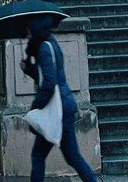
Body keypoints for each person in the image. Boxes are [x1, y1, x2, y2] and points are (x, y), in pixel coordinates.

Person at [21, 15, 97, 182]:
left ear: (35, 28)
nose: (25, 31)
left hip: (57, 109)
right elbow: (49, 76)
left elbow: (49, 82)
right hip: (65, 106)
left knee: (38, 155)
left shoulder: (43, 48)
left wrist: (36, 106)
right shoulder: (50, 43)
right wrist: (30, 69)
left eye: (28, 27)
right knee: (72, 157)